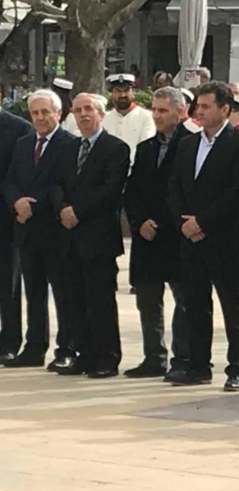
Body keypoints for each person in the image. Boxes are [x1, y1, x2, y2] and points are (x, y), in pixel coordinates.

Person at [168, 81, 239, 391]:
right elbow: (175, 186)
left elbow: (237, 191)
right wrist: (184, 222)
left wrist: (203, 222)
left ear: (225, 109)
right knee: (194, 303)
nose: (199, 112)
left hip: (223, 237)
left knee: (232, 304)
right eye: (197, 106)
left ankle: (238, 366)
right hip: (189, 237)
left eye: (206, 106)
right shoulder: (187, 144)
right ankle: (198, 365)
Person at [54, 93, 130, 378]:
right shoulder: (69, 148)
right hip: (69, 237)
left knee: (100, 302)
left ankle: (106, 358)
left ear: (101, 113)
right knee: (75, 300)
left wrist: (78, 211)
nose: (84, 114)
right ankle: (84, 355)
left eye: (89, 109)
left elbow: (111, 190)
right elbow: (56, 184)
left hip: (98, 238)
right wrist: (62, 208)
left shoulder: (116, 148)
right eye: (78, 110)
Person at [123, 87, 193, 379]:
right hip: (146, 235)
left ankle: (184, 358)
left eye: (163, 110)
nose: (157, 115)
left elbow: (184, 192)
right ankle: (154, 357)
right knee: (148, 299)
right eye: (154, 109)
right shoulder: (146, 148)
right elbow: (133, 190)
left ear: (181, 112)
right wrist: (140, 221)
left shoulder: (192, 145)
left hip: (175, 234)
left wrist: (162, 221)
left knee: (185, 300)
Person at [2, 90, 74, 369]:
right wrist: (16, 201)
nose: (41, 118)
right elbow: (10, 179)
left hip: (54, 228)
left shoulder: (69, 144)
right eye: (35, 113)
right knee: (33, 292)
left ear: (58, 113)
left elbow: (61, 183)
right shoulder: (24, 143)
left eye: (46, 112)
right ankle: (34, 347)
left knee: (63, 292)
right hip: (26, 228)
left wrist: (34, 203)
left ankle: (66, 348)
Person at [0, 105, 31, 365]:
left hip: (6, 218)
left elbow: (22, 174)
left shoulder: (19, 128)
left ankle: (9, 342)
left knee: (7, 283)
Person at [103, 73, 156, 164]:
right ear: (112, 93)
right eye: (118, 91)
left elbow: (145, 147)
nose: (122, 95)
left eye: (127, 90)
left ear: (133, 92)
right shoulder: (104, 118)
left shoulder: (147, 117)